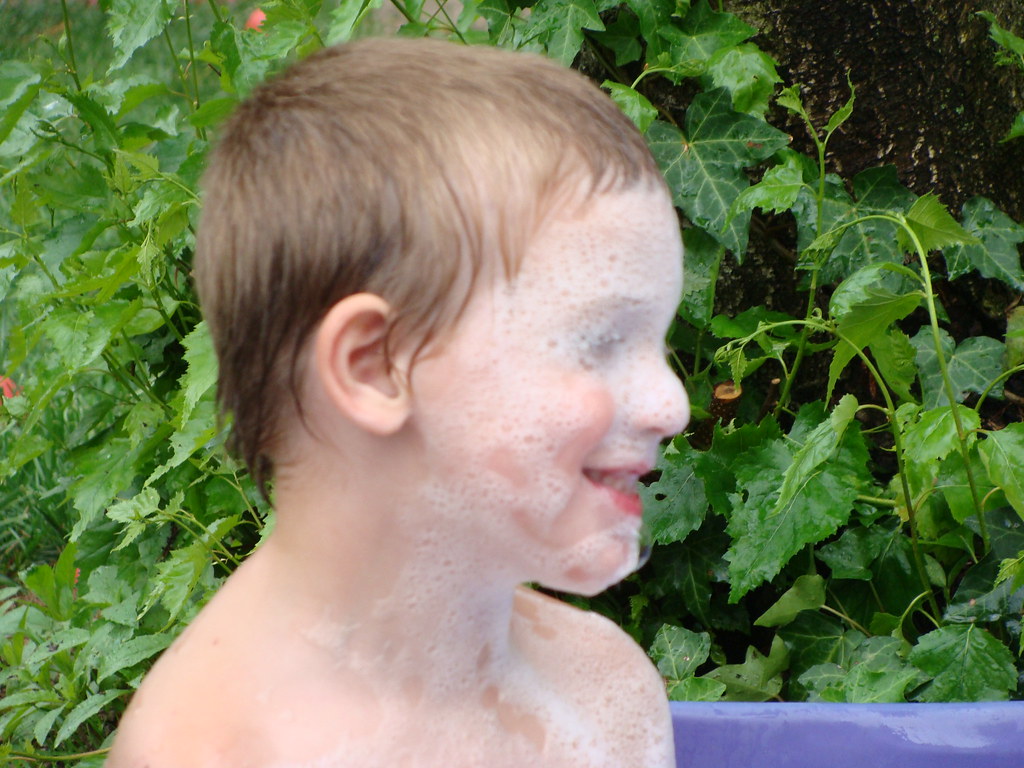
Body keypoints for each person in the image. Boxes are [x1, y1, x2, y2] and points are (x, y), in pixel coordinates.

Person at [107, 35, 690, 768]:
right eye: (602, 340)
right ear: (377, 365)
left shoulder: (606, 689)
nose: (672, 404)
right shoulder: (215, 751)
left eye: (657, 344)